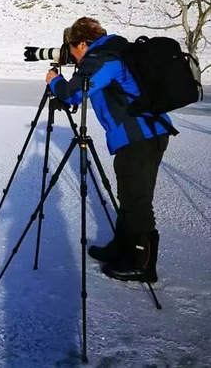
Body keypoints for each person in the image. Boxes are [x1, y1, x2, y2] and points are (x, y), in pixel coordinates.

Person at [46, 17, 172, 283]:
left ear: (82, 43)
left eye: (72, 48)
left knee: (136, 201)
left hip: (141, 137)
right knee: (128, 195)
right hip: (143, 135)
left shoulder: (102, 59)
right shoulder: (113, 52)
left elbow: (73, 93)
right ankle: (121, 247)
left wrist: (53, 81)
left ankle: (143, 264)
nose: (71, 54)